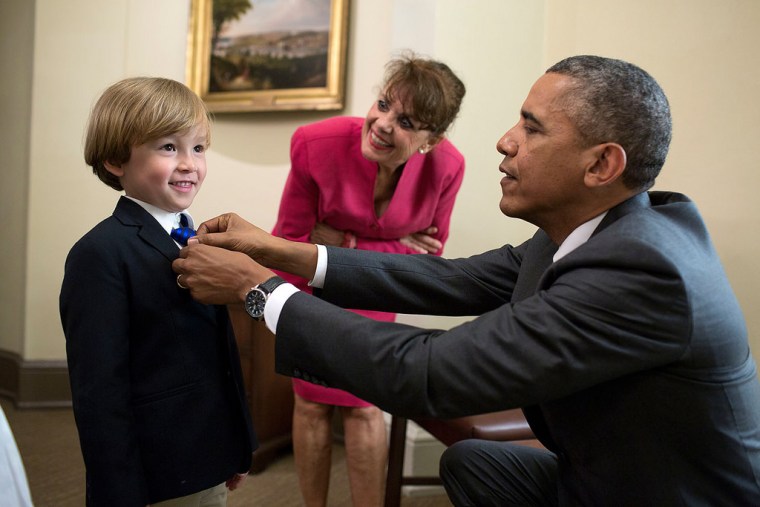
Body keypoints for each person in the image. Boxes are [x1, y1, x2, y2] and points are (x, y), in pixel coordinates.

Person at [173, 55, 760, 506]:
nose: (504, 140)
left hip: (671, 494)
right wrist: (277, 250)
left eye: (531, 129)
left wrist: (258, 287)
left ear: (601, 165)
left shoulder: (641, 270)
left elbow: (428, 373)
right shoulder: (583, 231)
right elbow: (447, 279)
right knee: (473, 463)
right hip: (603, 468)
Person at [272, 53, 466, 507]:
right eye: (382, 104)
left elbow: (427, 260)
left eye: (405, 121)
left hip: (378, 292)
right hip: (311, 289)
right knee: (312, 405)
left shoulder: (447, 168)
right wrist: (388, 246)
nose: (381, 123)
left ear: (429, 140)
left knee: (363, 408)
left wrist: (345, 242)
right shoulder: (314, 144)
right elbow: (288, 242)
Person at [59, 77, 256, 507]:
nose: (189, 164)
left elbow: (220, 357)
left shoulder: (198, 238)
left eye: (199, 148)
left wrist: (238, 443)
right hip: (156, 473)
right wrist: (119, 491)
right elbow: (99, 394)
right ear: (115, 159)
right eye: (169, 147)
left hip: (210, 454)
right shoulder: (99, 254)